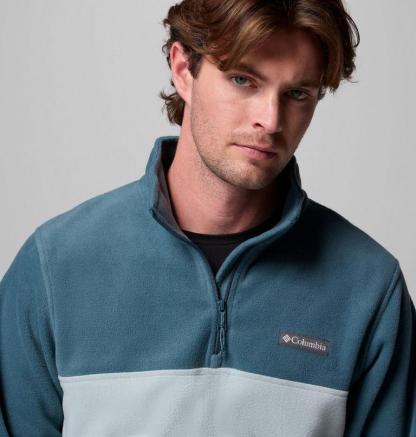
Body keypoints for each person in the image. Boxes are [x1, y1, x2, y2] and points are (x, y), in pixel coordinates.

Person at [1, 0, 415, 435]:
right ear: (183, 69)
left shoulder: (368, 287)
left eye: (297, 94)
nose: (270, 120)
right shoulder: (55, 268)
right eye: (242, 80)